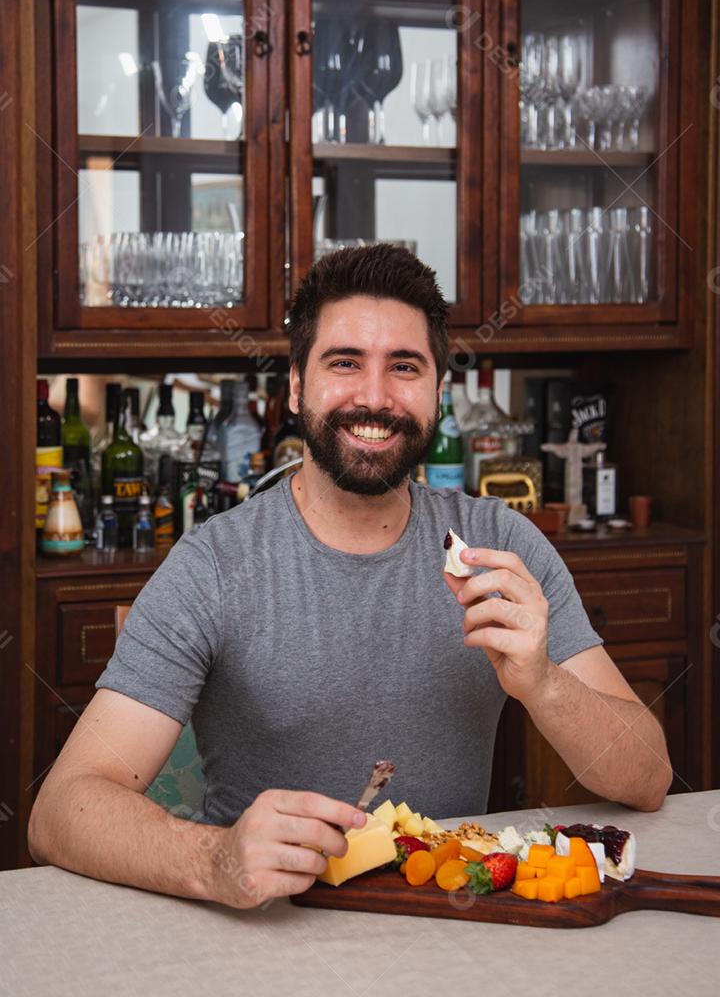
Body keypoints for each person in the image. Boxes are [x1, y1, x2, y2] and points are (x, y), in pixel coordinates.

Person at [28, 244, 672, 910]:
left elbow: (647, 778)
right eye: (344, 363)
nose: (374, 397)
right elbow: (60, 811)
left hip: (453, 925)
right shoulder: (213, 565)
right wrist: (212, 858)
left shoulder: (501, 546)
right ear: (297, 385)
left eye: (404, 367)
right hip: (264, 936)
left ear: (437, 393)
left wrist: (544, 683)